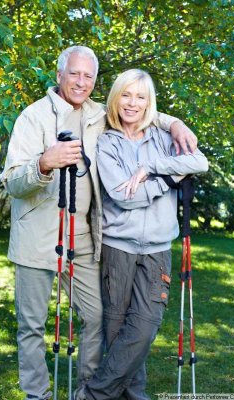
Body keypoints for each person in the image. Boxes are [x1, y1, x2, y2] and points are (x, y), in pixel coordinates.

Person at [2, 46, 198, 400]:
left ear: (95, 80)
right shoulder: (32, 118)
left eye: (88, 76)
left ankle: (87, 392)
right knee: (31, 326)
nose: (80, 82)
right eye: (74, 74)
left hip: (84, 237)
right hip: (36, 238)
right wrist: (44, 163)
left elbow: (140, 111)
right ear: (59, 74)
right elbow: (13, 181)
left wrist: (176, 123)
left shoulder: (98, 114)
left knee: (95, 319)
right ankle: (38, 395)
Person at [74, 69, 208, 400]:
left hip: (157, 249)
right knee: (118, 330)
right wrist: (167, 182)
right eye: (126, 95)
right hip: (117, 248)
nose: (132, 103)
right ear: (116, 98)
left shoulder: (164, 139)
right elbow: (124, 196)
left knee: (144, 328)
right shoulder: (106, 142)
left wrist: (151, 168)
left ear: (150, 103)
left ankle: (93, 395)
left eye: (141, 97)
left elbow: (200, 161)